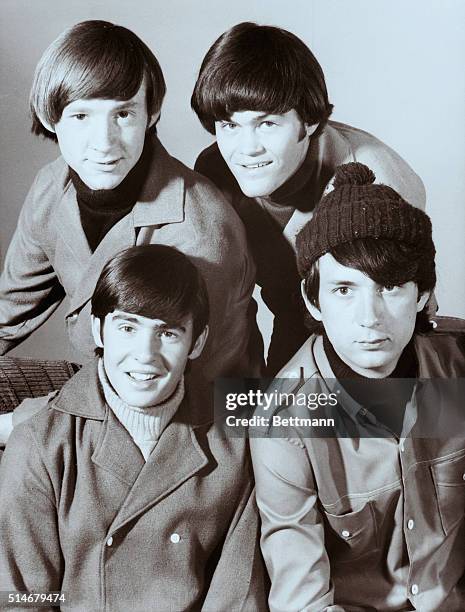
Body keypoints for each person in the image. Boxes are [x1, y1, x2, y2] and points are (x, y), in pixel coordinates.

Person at [0, 244, 267, 612]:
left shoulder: (236, 441)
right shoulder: (40, 443)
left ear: (197, 342)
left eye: (169, 333)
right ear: (98, 331)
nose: (145, 353)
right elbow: (21, 600)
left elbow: (237, 597)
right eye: (127, 327)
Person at [249, 162, 465, 612]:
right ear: (314, 300)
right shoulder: (281, 422)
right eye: (344, 290)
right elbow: (302, 599)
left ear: (423, 293)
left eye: (389, 287)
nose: (370, 318)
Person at [0, 20, 258, 381]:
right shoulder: (51, 186)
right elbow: (8, 314)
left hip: (191, 410)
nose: (104, 142)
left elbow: (170, 391)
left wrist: (15, 424)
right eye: (81, 116)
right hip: (109, 381)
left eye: (123, 114)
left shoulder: (199, 230)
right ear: (50, 117)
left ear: (151, 114)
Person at [191, 21, 426, 375]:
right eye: (230, 125)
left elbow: (389, 316)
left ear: (310, 120)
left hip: (370, 341)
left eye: (267, 123)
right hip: (289, 321)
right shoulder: (215, 171)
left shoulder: (376, 182)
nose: (246, 149)